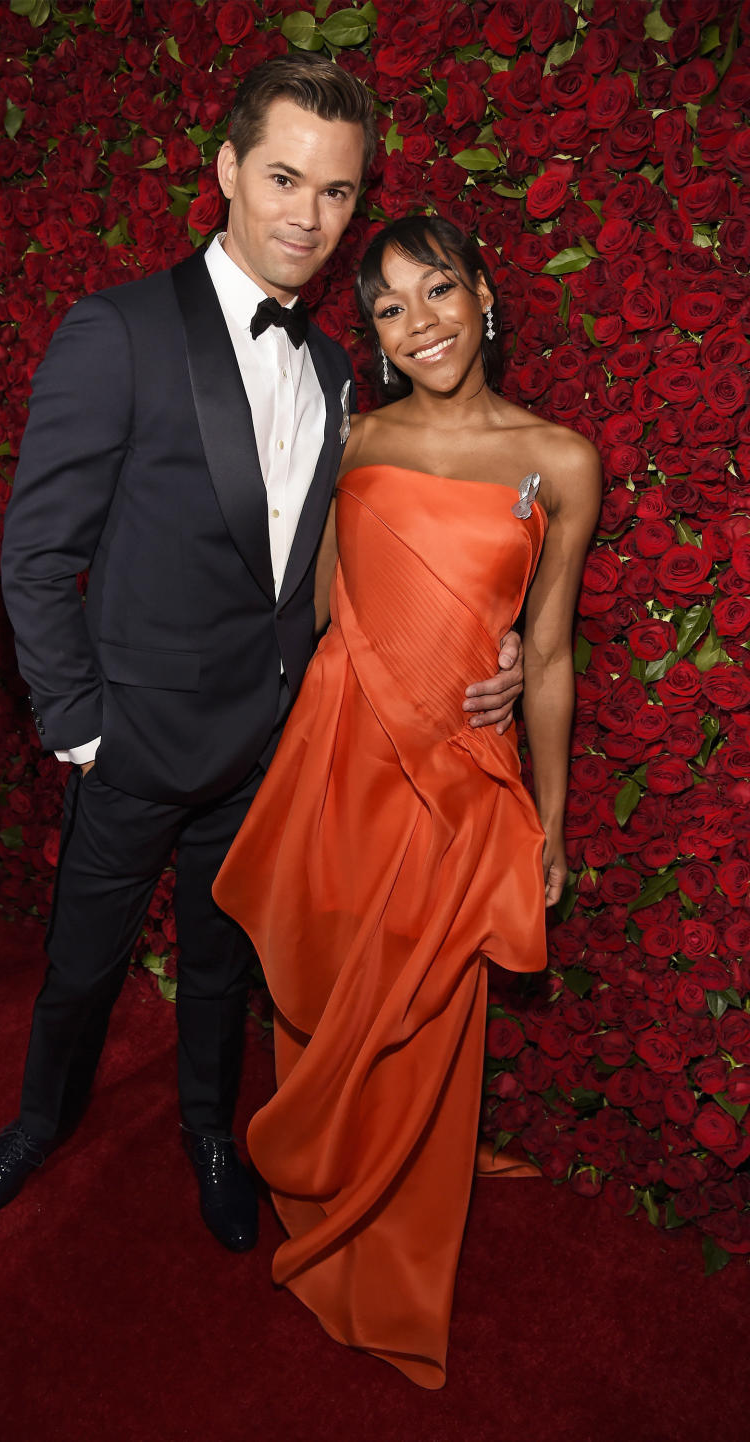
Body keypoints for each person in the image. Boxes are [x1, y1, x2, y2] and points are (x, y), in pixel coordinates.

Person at [0, 63, 525, 1251]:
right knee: (83, 963)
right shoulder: (117, 328)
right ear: (224, 171)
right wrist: (82, 727)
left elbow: (354, 559)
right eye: (283, 177)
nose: (309, 215)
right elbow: (35, 553)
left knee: (221, 967)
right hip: (131, 744)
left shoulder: (331, 370)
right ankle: (38, 1120)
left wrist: (489, 633)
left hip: (265, 744)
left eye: (338, 191)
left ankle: (210, 1129)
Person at [214, 214, 601, 1378]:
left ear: (482, 293)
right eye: (390, 307)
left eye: (437, 292)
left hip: (458, 779)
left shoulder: (561, 458)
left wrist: (552, 814)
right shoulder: (356, 435)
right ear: (372, 333)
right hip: (344, 756)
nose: (420, 322)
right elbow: (326, 607)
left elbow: (550, 652)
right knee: (334, 995)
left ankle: (394, 1239)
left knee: (428, 1011)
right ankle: (320, 1170)